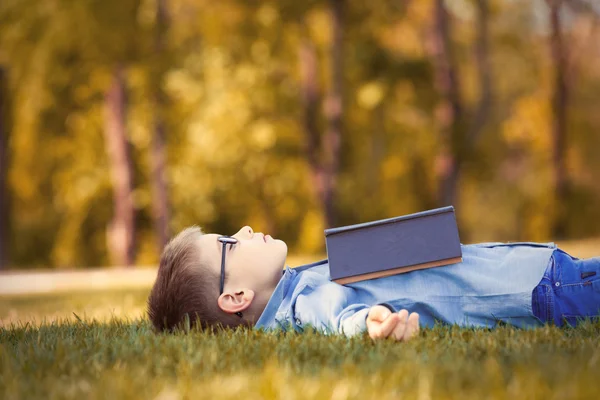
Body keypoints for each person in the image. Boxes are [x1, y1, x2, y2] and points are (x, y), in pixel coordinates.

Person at [147, 225, 600, 342]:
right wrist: (372, 324)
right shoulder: (302, 304)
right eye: (230, 243)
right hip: (536, 291)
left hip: (534, 273)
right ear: (236, 297)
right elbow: (339, 318)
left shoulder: (296, 285)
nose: (245, 231)